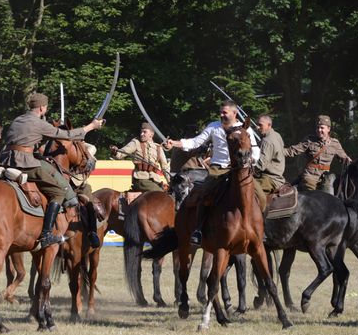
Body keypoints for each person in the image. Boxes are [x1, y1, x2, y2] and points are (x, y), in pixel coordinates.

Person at [0, 92, 104, 249]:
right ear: (42, 107)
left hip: (7, 160)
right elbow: (65, 135)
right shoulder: (37, 122)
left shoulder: (18, 119)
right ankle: (46, 234)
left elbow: (22, 140)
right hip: (25, 163)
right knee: (59, 192)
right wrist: (91, 126)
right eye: (46, 107)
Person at [163, 100, 260, 245]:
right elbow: (195, 142)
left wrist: (251, 160)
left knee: (261, 197)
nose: (221, 115)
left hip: (240, 170)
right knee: (203, 195)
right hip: (218, 170)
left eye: (225, 112)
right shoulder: (214, 127)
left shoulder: (246, 129)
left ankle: (261, 231)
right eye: (221, 112)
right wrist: (175, 143)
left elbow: (255, 149)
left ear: (235, 113)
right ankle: (198, 230)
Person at [284, 115, 351, 191]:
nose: (319, 130)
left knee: (329, 198)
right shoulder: (309, 140)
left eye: (322, 128)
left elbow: (344, 157)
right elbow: (292, 150)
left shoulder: (335, 143)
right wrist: (277, 152)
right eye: (317, 127)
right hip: (310, 176)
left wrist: (347, 160)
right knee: (313, 196)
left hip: (325, 178)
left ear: (328, 129)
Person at [110, 122, 170, 192]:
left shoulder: (158, 147)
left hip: (156, 180)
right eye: (141, 132)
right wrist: (115, 152)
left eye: (144, 132)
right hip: (140, 179)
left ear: (151, 134)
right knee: (158, 192)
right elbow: (120, 154)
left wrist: (170, 181)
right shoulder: (136, 142)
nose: (142, 134)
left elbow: (165, 167)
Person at [254, 115, 286, 207]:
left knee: (248, 191)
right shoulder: (277, 135)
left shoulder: (267, 141)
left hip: (270, 178)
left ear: (269, 125)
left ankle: (259, 216)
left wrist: (250, 170)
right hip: (277, 175)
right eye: (257, 124)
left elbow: (261, 165)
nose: (258, 127)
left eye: (260, 125)